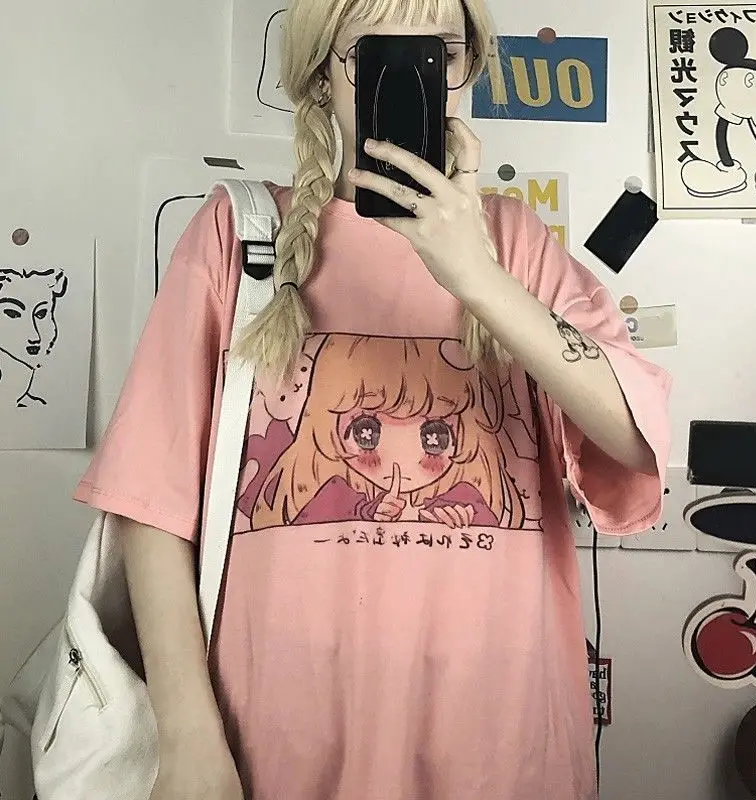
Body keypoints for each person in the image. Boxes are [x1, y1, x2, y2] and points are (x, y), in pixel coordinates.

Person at [74, 0, 671, 797]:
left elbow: (635, 439)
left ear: (464, 68)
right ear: (324, 76)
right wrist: (187, 734)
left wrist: (476, 277)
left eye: (440, 53)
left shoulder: (516, 244)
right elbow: (150, 502)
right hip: (271, 737)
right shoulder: (237, 234)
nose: (413, 77)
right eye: (377, 55)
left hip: (500, 740)